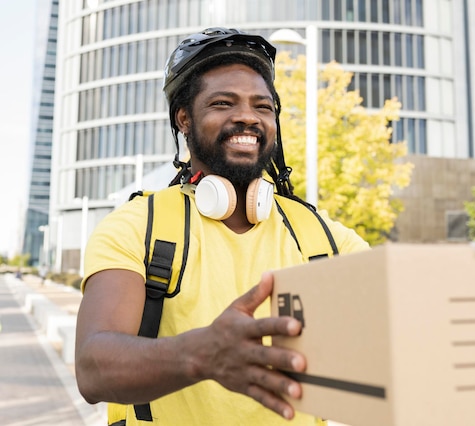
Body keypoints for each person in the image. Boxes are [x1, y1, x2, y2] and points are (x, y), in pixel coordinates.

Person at [75, 28, 369, 426]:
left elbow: (398, 327)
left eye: (263, 106)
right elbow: (93, 369)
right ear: (184, 119)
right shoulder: (135, 226)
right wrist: (202, 354)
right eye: (222, 102)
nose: (248, 116)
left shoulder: (322, 235)